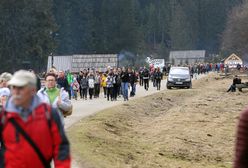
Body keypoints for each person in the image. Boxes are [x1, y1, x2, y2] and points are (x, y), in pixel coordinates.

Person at [0, 70, 71, 167]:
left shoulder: (49, 114)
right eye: (13, 87)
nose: (15, 91)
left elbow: (61, 147)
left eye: (21, 87)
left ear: (32, 90)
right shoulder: (4, 116)